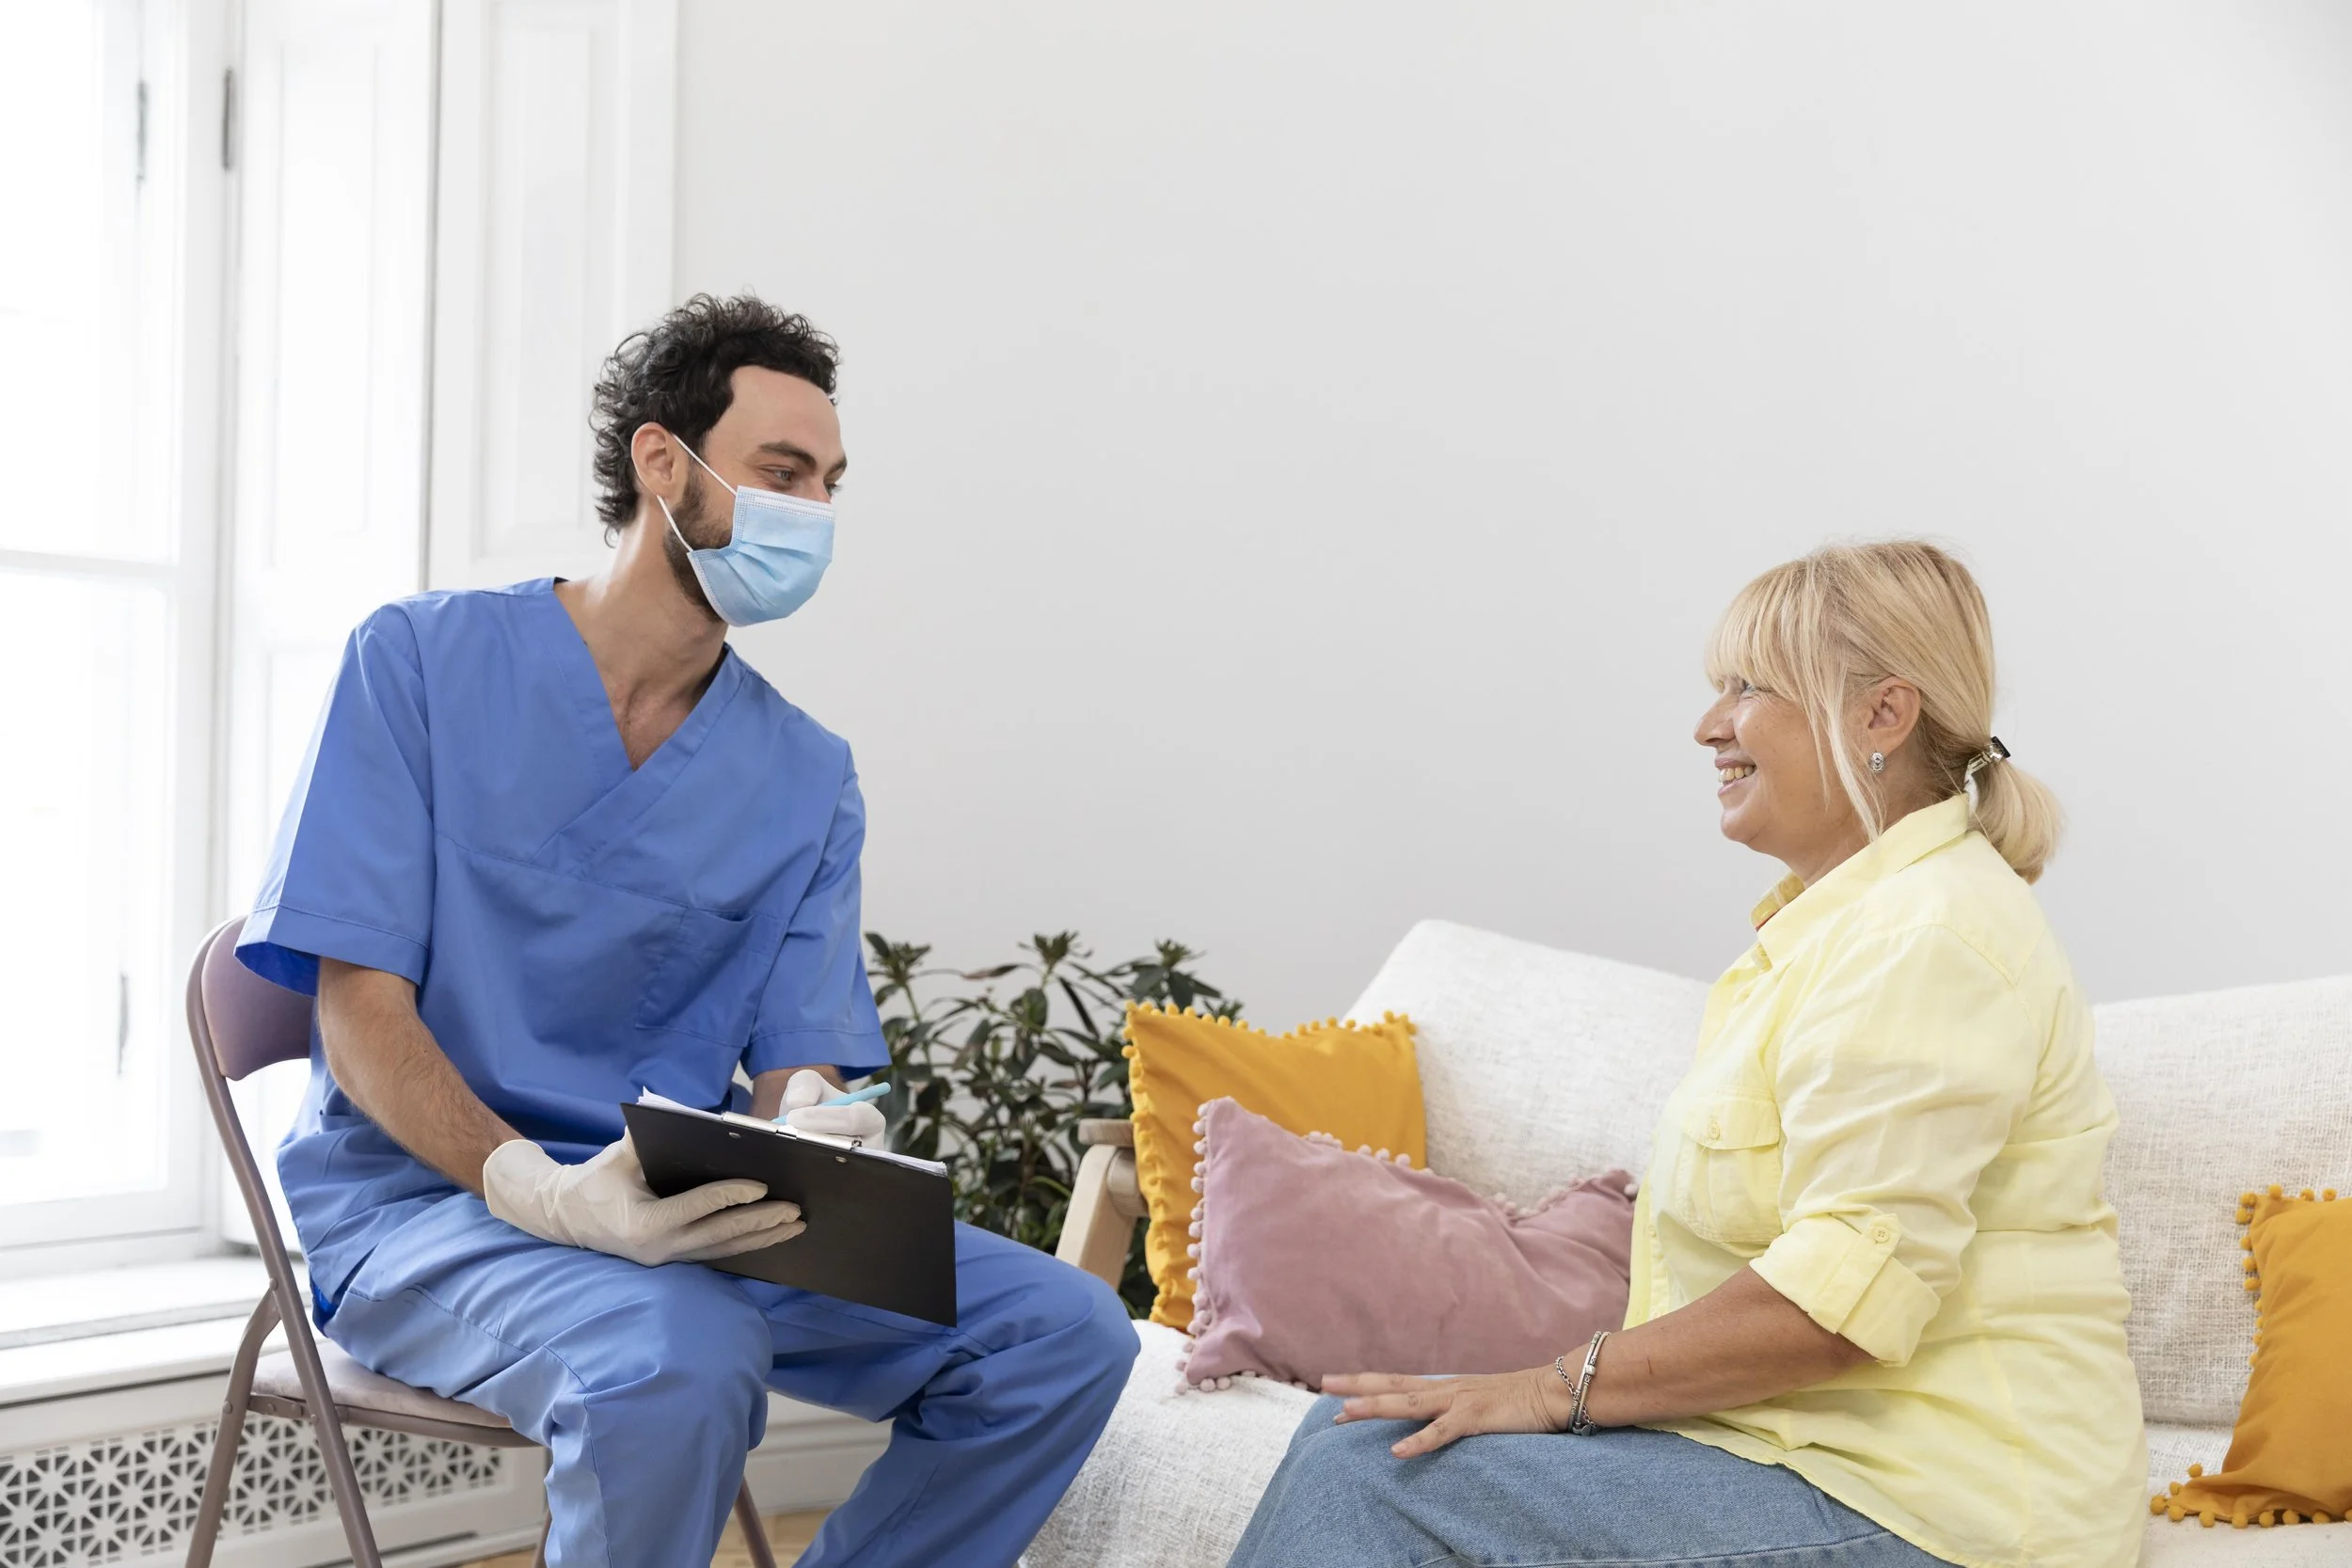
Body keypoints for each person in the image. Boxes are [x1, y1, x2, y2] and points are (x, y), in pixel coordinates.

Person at [240, 294, 1138, 1568]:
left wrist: (816, 1115)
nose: (813, 512)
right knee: (680, 1354)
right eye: (783, 472)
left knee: (1064, 1331)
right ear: (663, 460)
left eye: (830, 484)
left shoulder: (805, 774)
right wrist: (542, 1189)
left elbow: (792, 1059)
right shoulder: (421, 665)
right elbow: (357, 1005)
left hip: (690, 1204)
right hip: (434, 1202)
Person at [1229, 541, 2146, 1568]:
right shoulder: (1844, 930)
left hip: (1944, 1511)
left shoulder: (1927, 935)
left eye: (1749, 686)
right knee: (1356, 1439)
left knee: (1370, 1474)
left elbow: (1835, 1303)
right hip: (1807, 1461)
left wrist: (1546, 1387)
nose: (1709, 725)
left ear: (1881, 716)